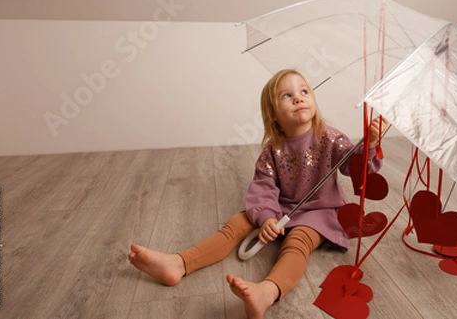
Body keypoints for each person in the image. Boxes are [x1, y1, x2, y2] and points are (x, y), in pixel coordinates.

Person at [128, 69, 387, 319]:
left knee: (298, 242)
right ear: (273, 115)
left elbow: (355, 169)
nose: (298, 97)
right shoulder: (272, 149)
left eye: (304, 91)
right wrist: (266, 218)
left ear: (313, 100)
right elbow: (263, 187)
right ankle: (180, 263)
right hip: (282, 206)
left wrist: (370, 145)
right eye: (287, 96)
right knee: (235, 224)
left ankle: (267, 291)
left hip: (321, 210)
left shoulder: (330, 137)